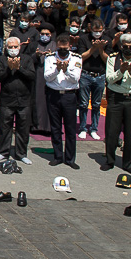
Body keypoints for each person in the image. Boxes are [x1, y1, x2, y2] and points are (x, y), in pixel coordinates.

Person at [101, 33, 131, 175]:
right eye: (125, 47)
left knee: (130, 132)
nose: (128, 49)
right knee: (112, 131)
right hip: (116, 97)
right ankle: (110, 160)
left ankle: (127, 163)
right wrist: (121, 71)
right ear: (121, 46)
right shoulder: (113, 58)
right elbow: (110, 79)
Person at [44, 34, 82, 169]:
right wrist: (57, 69)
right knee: (55, 127)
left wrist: (66, 70)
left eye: (65, 49)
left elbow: (75, 78)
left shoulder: (77, 58)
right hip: (53, 95)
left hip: (69, 96)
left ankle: (70, 158)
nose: (62, 51)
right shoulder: (50, 58)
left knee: (70, 128)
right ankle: (58, 156)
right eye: (60, 49)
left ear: (70, 47)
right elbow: (47, 77)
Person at [0, 36, 35, 163]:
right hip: (7, 99)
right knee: (5, 127)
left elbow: (32, 75)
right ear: (6, 48)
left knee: (23, 127)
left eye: (15, 47)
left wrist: (19, 68)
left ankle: (21, 153)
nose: (13, 49)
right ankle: (3, 152)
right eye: (10, 47)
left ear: (19, 47)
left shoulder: (27, 59)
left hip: (24, 100)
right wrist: (9, 68)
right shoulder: (2, 59)